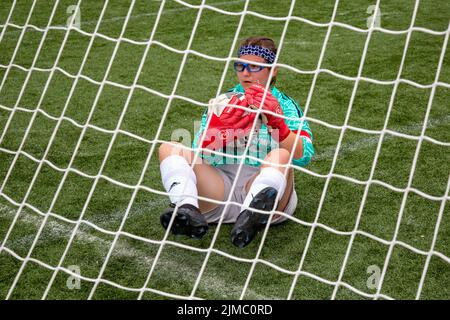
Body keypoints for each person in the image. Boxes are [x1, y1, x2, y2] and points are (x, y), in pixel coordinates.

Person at [158, 37, 315, 248]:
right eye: (240, 66)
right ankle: (186, 209)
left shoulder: (285, 105)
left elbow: (304, 155)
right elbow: (198, 153)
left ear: (274, 69)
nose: (245, 73)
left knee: (281, 156)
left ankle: (252, 215)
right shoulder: (223, 101)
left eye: (254, 66)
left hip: (270, 196)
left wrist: (279, 126)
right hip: (220, 190)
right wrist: (216, 136)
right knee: (169, 148)